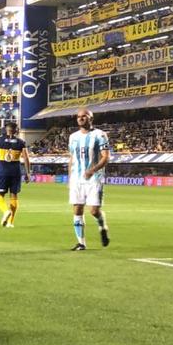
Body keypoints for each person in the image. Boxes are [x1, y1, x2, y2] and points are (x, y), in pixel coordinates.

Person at [68, 108, 111, 251]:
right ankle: (81, 243)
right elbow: (72, 158)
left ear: (91, 118)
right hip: (76, 178)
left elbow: (106, 157)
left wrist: (92, 170)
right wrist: (70, 178)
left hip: (94, 179)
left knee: (93, 211)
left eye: (84, 116)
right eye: (78, 116)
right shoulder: (73, 137)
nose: (80, 118)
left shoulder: (100, 135)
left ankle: (102, 225)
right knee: (77, 209)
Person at [0, 122, 31, 227]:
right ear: (16, 130)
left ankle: (5, 211)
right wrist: (28, 173)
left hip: (3, 171)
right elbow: (26, 158)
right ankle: (10, 222)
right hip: (16, 172)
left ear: (6, 129)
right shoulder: (21, 142)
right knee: (14, 196)